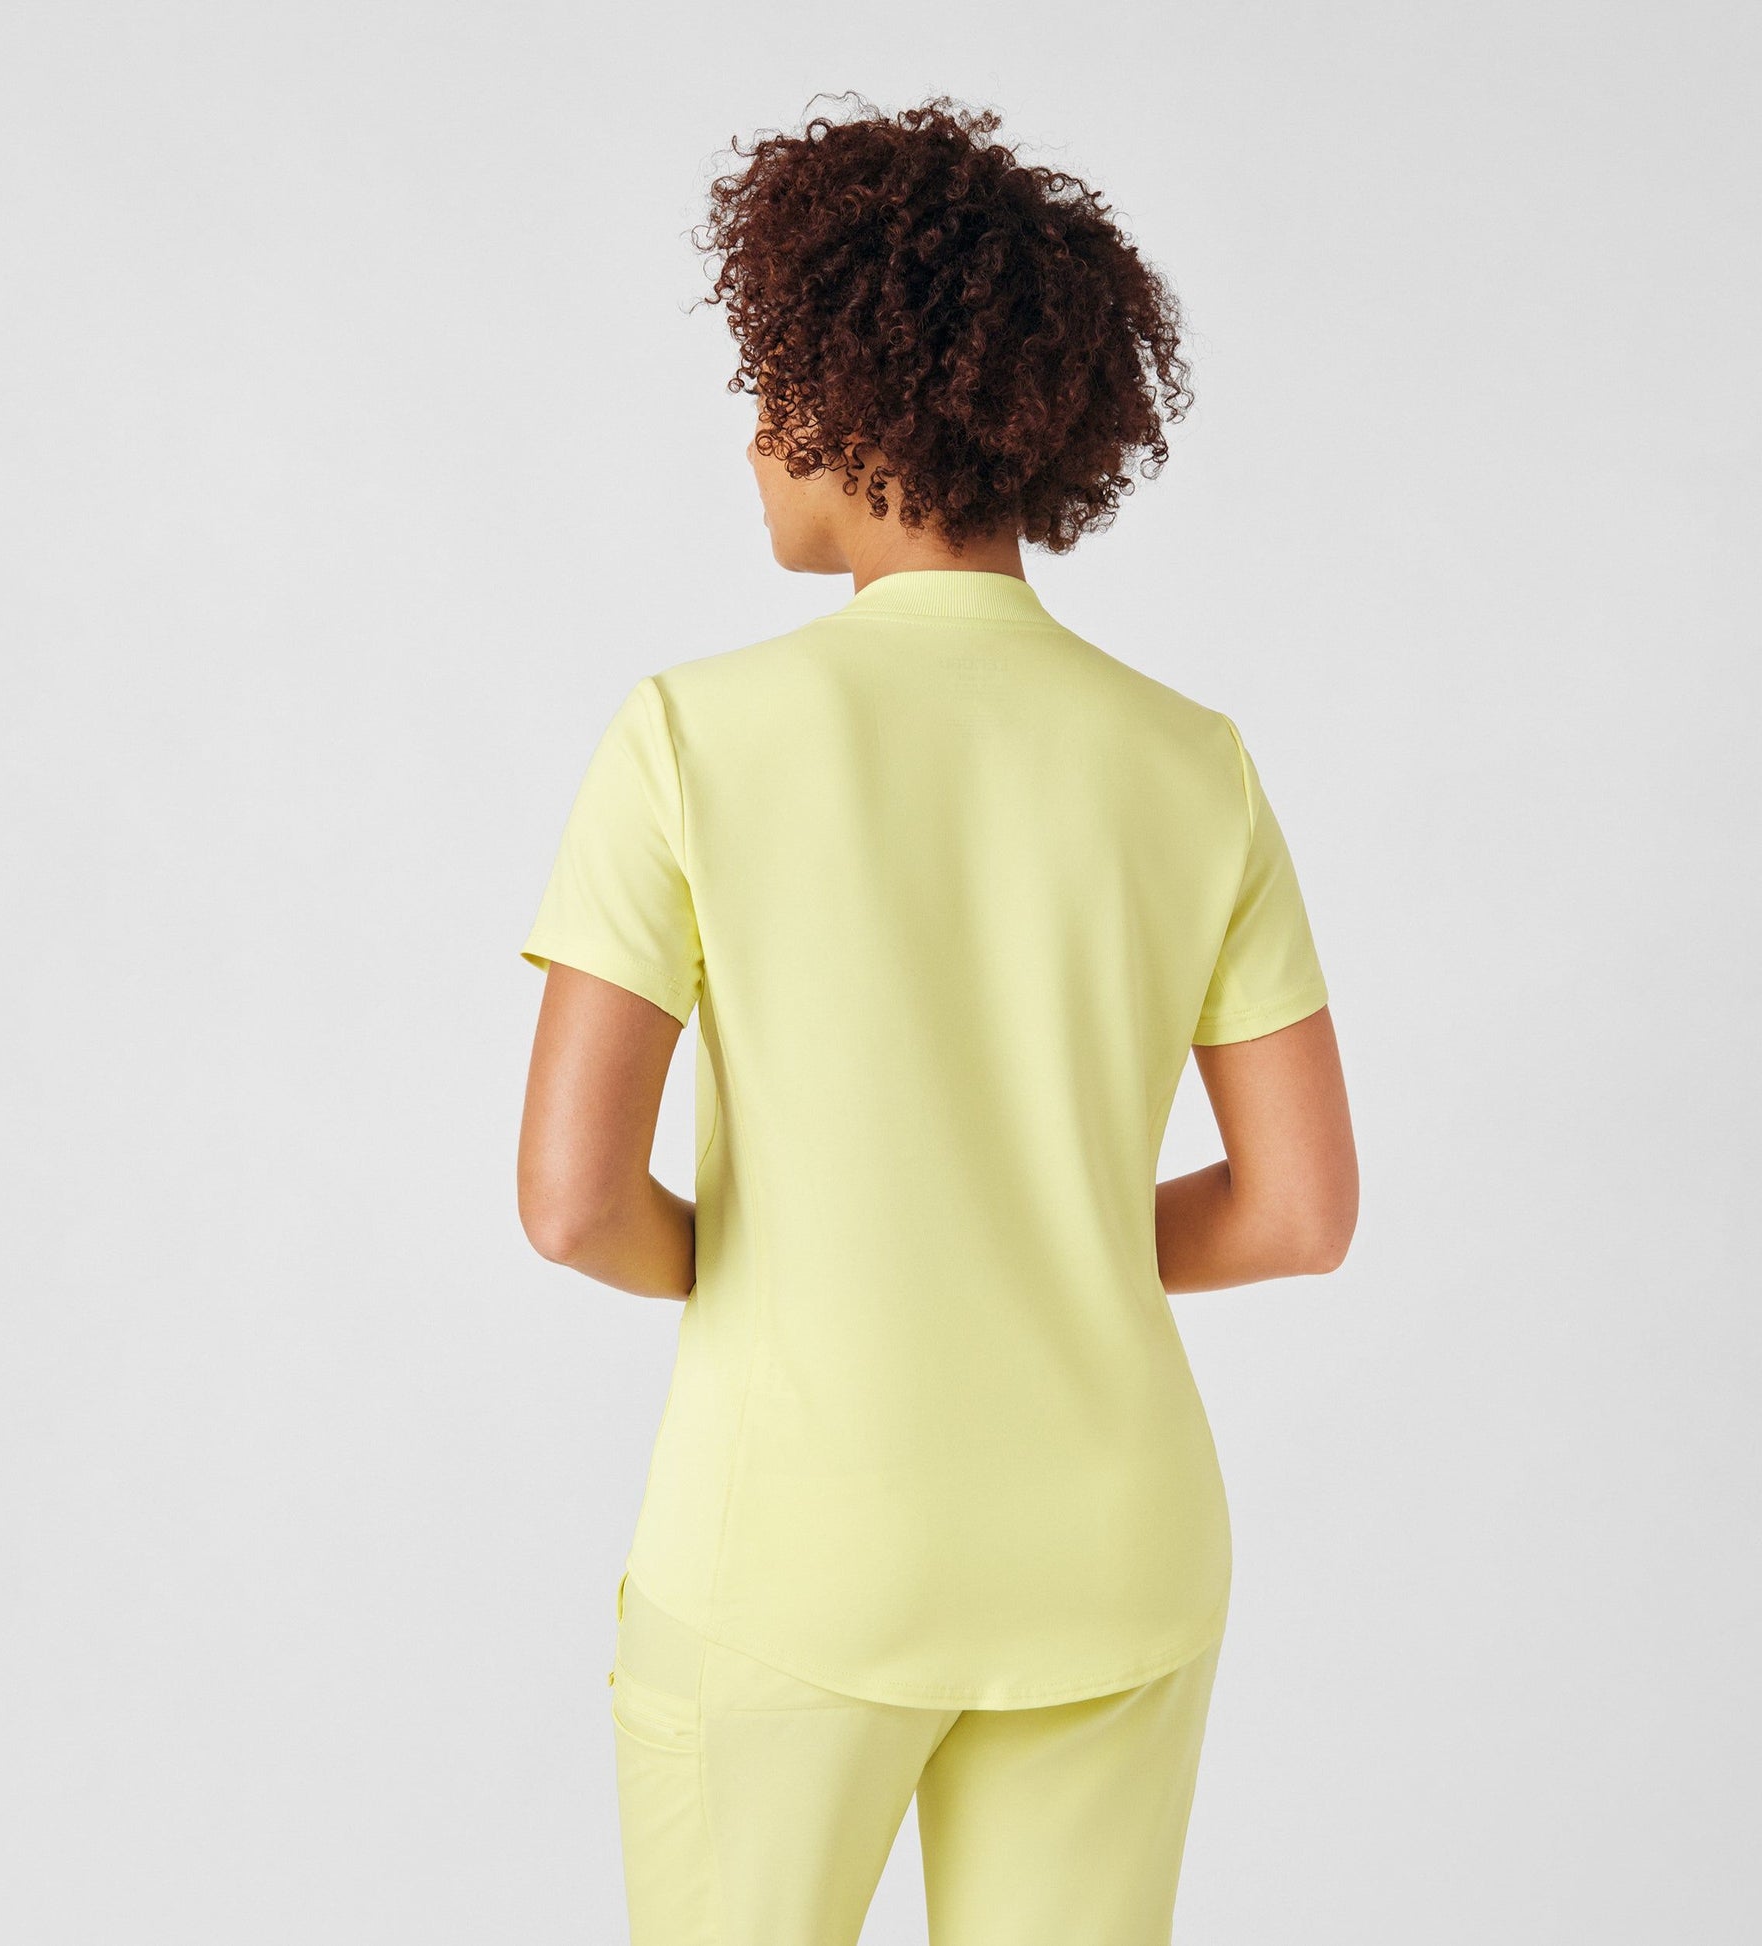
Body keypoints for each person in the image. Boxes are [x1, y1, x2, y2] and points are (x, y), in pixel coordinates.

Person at [515, 95, 1358, 1946]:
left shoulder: (687, 737)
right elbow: (1299, 1211)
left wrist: (775, 1257)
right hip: (1111, 1551)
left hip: (793, 1551)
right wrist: (1030, 1237)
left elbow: (572, 1202)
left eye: (768, 389)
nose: (752, 442)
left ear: (856, 402)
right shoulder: (1192, 764)